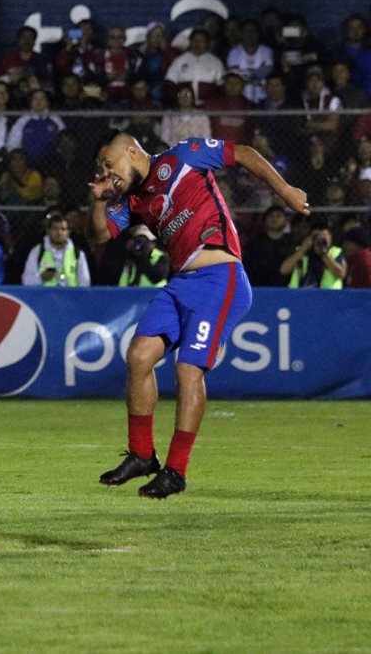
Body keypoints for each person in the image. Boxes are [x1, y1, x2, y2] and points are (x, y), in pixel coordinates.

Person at [88, 133, 309, 498]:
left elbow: (243, 153)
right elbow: (98, 236)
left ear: (131, 152)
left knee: (188, 369)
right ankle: (143, 454)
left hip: (220, 278)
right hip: (180, 284)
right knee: (139, 356)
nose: (106, 173)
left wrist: (284, 191)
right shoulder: (133, 200)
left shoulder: (185, 156)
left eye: (109, 164)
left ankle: (176, 470)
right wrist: (96, 201)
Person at [21, 211, 91, 287]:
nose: (59, 232)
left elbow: (85, 282)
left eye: (63, 229)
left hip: (70, 297)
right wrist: (41, 277)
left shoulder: (78, 253)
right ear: (48, 231)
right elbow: (26, 280)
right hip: (44, 297)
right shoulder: (37, 251)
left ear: (68, 232)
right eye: (55, 228)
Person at [282, 218, 346, 289]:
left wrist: (323, 254)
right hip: (302, 296)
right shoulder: (301, 251)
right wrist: (303, 249)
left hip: (328, 296)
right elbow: (284, 270)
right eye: (316, 236)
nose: (320, 239)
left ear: (330, 237)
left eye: (324, 236)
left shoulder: (335, 252)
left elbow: (341, 274)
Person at [242, 204, 295, 287]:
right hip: (257, 286)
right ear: (264, 220)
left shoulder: (291, 242)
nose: (274, 219)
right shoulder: (255, 242)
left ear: (285, 221)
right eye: (271, 216)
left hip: (284, 287)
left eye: (278, 216)